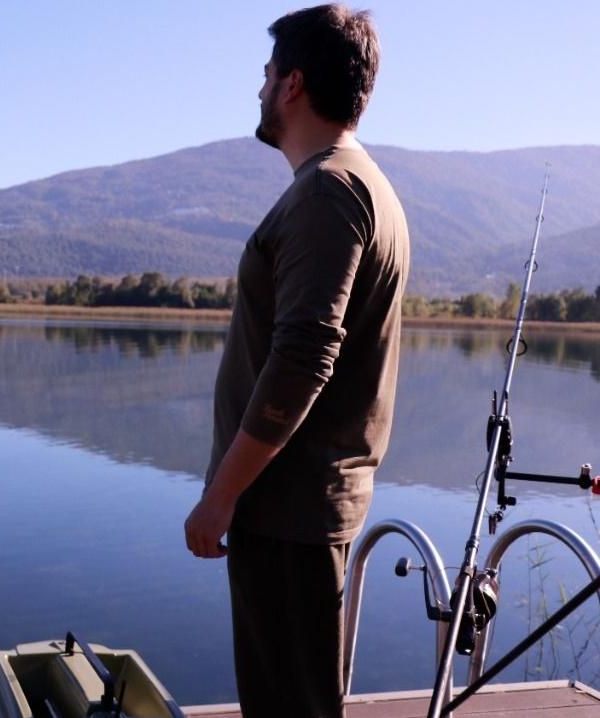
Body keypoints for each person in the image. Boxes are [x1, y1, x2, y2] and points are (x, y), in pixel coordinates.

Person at [182, 4, 409, 717]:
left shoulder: (329, 191)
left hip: (288, 513)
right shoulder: (353, 185)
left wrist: (221, 494)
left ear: (293, 85)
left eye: (267, 74)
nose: (258, 89)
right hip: (295, 510)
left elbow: (304, 356)